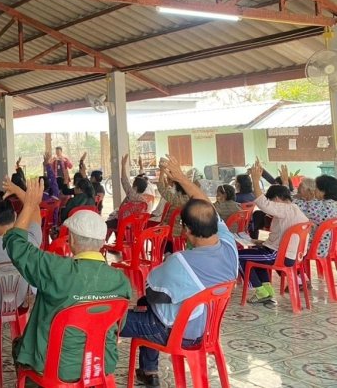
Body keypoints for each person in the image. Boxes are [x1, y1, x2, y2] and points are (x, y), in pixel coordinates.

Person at [119, 156, 239, 387]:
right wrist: (182, 178)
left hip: (175, 332)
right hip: (206, 330)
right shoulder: (229, 245)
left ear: (188, 230)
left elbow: (151, 290)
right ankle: (149, 370)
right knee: (147, 305)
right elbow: (205, 203)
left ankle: (97, 373)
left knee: (114, 317)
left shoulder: (182, 261)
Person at [3, 178, 131, 383]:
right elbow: (118, 325)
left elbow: (14, 243)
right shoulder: (121, 281)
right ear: (102, 242)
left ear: (71, 240)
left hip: (54, 367)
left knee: (19, 346)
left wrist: (28, 206)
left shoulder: (55, 269)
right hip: (100, 364)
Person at [237, 160, 309, 304]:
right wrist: (284, 181)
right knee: (255, 255)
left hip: (278, 255)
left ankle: (260, 291)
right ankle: (267, 290)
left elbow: (263, 203)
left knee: (237, 256)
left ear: (276, 199)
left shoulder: (284, 209)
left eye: (272, 201)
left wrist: (255, 181)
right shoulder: (293, 207)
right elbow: (283, 193)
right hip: (290, 255)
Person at [0, 198, 41, 316]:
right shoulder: (30, 241)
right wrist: (16, 190)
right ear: (15, 216)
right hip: (19, 303)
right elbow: (35, 209)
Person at [295, 173, 337, 259]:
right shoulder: (333, 204)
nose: (314, 191)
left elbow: (292, 205)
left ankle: (293, 268)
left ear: (323, 191)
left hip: (314, 247)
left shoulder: (318, 206)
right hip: (328, 246)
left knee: (283, 244)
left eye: (316, 188)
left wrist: (285, 185)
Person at [106, 154, 150, 231]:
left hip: (124, 223)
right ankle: (121, 236)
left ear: (135, 187)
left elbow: (124, 181)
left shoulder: (132, 195)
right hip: (135, 225)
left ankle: (117, 236)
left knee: (105, 224)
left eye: (133, 184)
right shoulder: (144, 200)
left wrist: (123, 165)